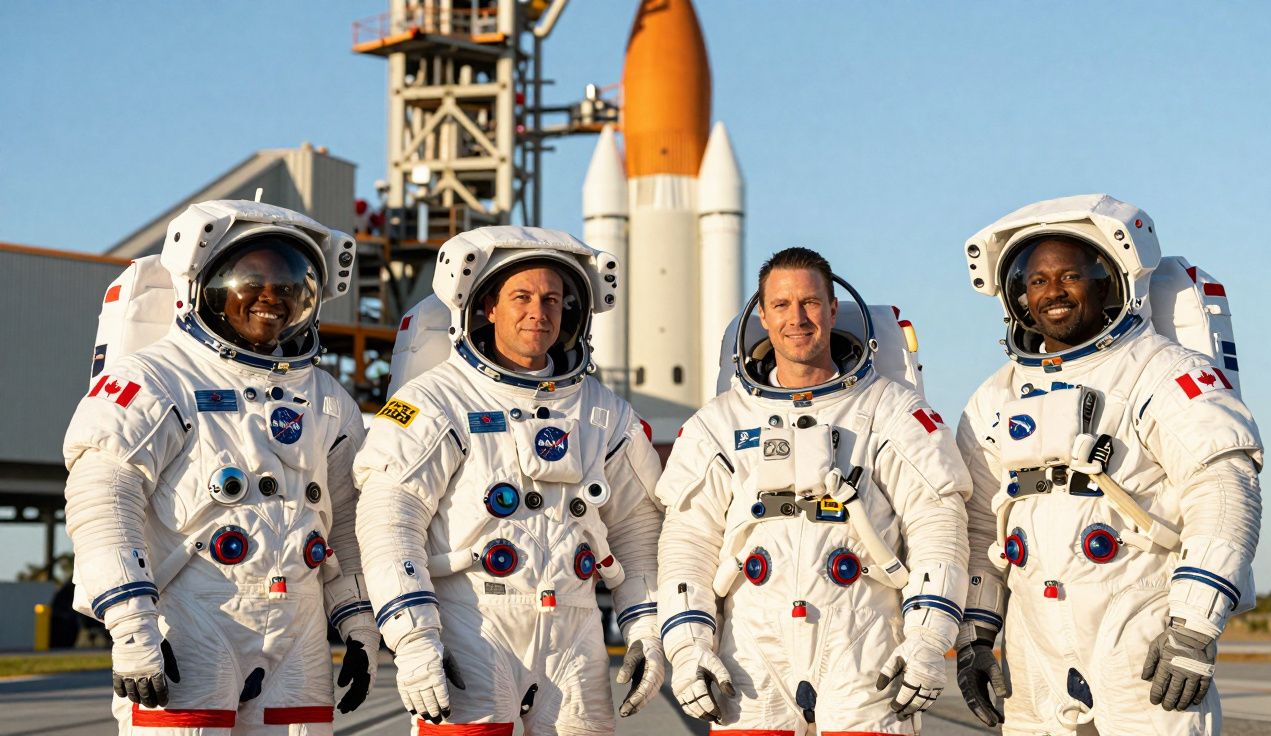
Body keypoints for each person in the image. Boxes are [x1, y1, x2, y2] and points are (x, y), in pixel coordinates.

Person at [63, 199, 379, 734]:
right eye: (250, 280)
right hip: (191, 621)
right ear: (205, 284)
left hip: (298, 634)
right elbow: (103, 501)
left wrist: (358, 622)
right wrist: (132, 626)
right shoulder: (156, 379)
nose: (269, 299)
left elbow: (345, 521)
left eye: (288, 286)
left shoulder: (326, 398)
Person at [954, 195, 1262, 734]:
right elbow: (982, 525)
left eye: (1071, 275)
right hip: (1033, 649)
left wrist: (1194, 627)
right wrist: (977, 636)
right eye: (1037, 279)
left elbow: (1223, 493)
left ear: (1108, 283)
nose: (1053, 290)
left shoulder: (1164, 373)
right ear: (1019, 297)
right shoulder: (993, 398)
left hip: (1140, 634)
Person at [353, 226, 665, 735]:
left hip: (575, 629)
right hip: (472, 623)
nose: (537, 313)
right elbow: (390, 520)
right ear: (488, 308)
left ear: (571, 311)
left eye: (552, 299)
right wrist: (413, 640)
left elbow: (637, 529)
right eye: (521, 297)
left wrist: (646, 629)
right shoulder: (436, 401)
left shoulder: (604, 413)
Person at [656, 247, 971, 734]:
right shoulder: (718, 424)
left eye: (809, 303)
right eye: (781, 305)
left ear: (831, 309)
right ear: (762, 315)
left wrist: (928, 639)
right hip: (751, 648)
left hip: (864, 639)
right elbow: (688, 541)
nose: (796, 318)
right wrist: (688, 645)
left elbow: (938, 524)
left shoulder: (891, 412)